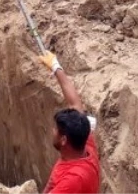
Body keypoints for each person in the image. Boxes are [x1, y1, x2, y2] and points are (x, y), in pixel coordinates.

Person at [38, 50, 100, 194]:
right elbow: (74, 103)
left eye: (56, 130)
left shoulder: (73, 181)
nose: (53, 131)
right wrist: (55, 65)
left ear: (64, 139)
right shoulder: (84, 142)